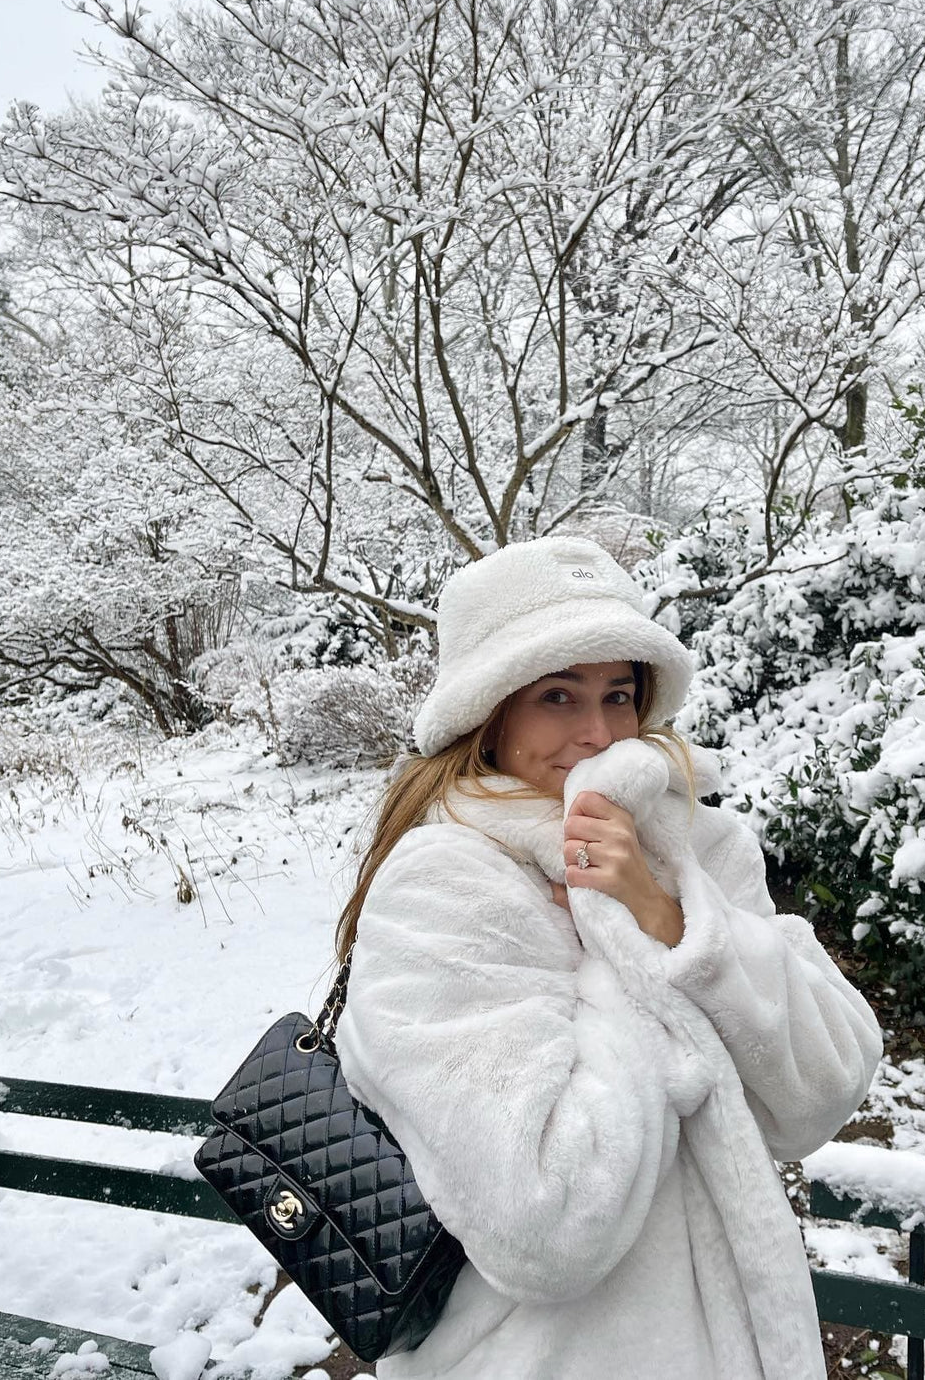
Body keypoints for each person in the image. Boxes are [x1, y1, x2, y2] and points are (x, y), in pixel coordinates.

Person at [333, 536, 883, 1380]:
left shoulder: (692, 848)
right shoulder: (445, 884)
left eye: (618, 694)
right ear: (492, 712)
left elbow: (824, 1086)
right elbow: (545, 1222)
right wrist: (619, 962)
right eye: (558, 694)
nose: (596, 733)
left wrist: (665, 916)